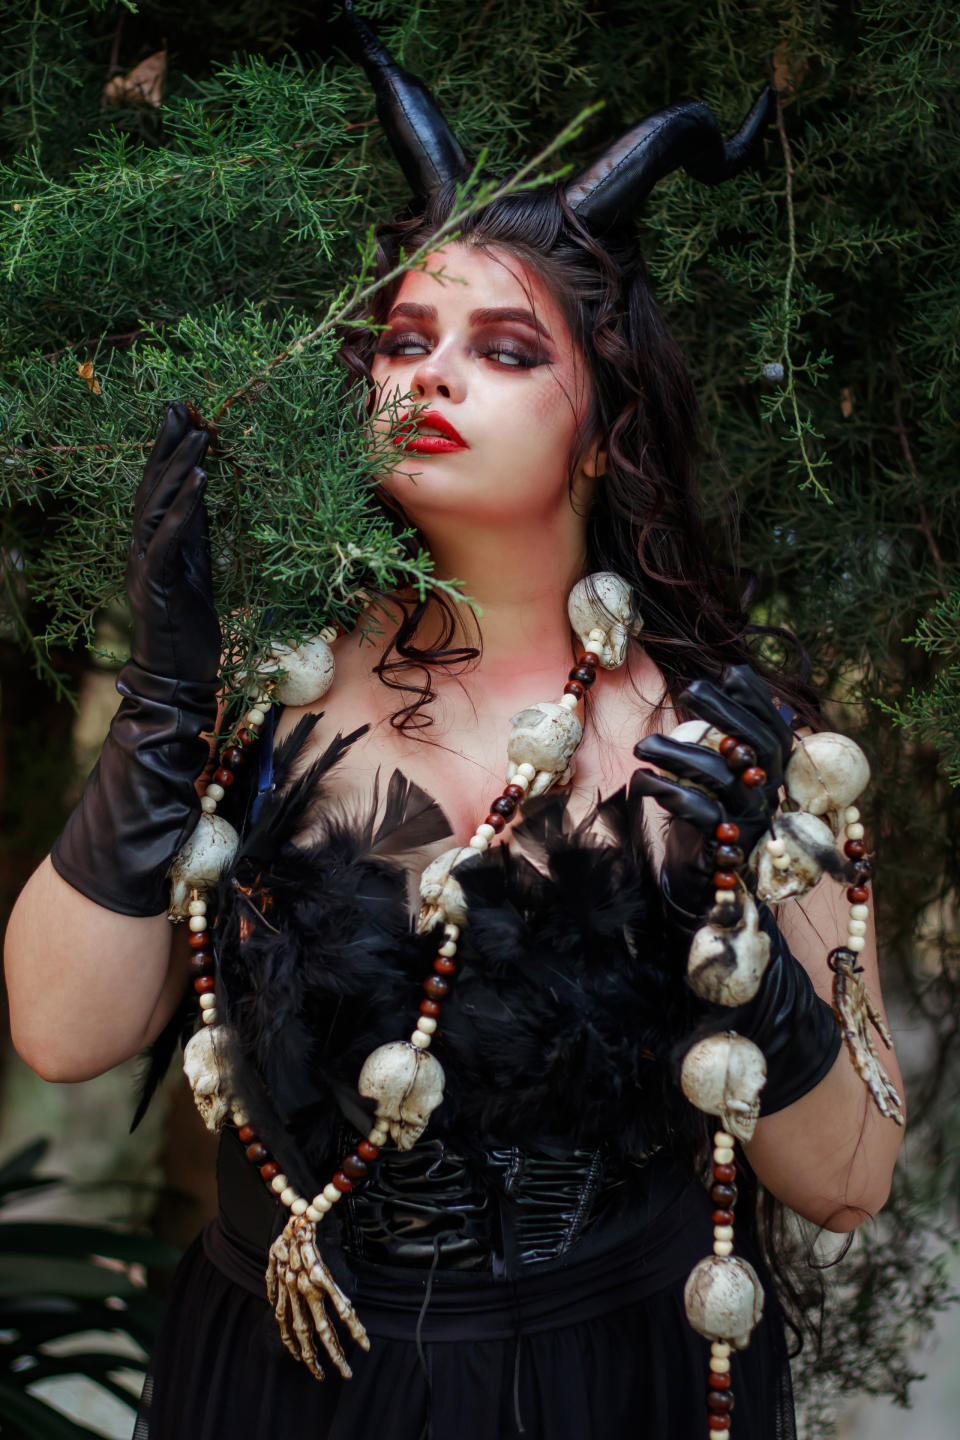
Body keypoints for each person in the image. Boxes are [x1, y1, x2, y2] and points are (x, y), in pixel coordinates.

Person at [4, 13, 904, 1439]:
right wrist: (165, 712)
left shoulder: (731, 740)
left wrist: (742, 912)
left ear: (603, 430)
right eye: (405, 340)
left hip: (607, 1387)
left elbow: (849, 1181)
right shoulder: (255, 696)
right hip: (283, 1385)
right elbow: (62, 1033)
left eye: (505, 348)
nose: (428, 375)